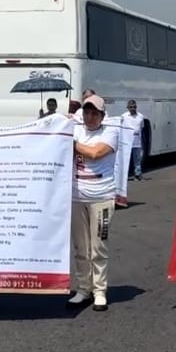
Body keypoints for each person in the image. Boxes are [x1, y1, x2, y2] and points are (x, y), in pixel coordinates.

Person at [68, 93, 119, 312]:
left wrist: (71, 143)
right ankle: (83, 289)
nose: (90, 117)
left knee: (99, 247)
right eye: (86, 112)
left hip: (102, 198)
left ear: (102, 115)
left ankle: (100, 291)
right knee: (80, 247)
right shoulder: (76, 129)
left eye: (94, 113)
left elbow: (95, 153)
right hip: (76, 197)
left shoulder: (111, 132)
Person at [122, 100, 145, 180]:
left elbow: (141, 128)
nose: (133, 108)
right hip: (127, 142)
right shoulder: (124, 116)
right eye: (131, 107)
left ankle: (138, 174)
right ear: (127, 108)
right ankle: (124, 175)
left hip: (137, 142)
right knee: (126, 160)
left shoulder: (140, 116)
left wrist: (141, 141)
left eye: (134, 107)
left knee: (137, 159)